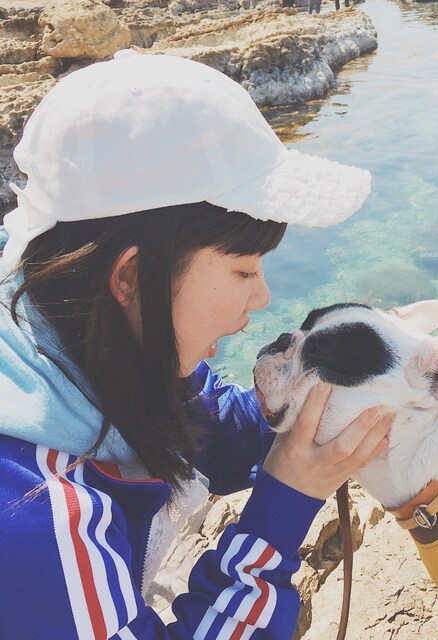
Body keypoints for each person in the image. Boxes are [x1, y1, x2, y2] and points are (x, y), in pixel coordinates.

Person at [0, 50, 393, 639]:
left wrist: (312, 399)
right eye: (243, 269)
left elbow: (197, 426)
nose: (262, 296)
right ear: (132, 277)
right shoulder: (34, 518)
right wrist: (287, 501)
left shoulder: (69, 328)